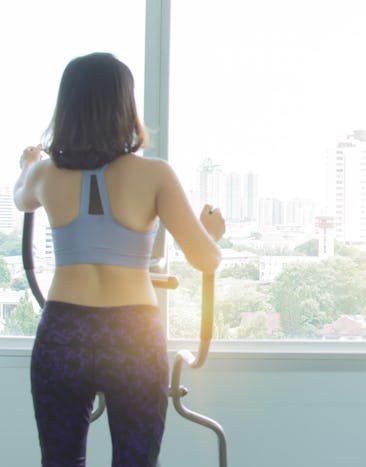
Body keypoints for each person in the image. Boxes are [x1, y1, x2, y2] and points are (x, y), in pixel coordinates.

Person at [14, 52, 225, 467]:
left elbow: (20, 197)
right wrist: (211, 235)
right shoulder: (155, 175)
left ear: (67, 106)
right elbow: (206, 260)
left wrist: (28, 164)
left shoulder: (45, 175)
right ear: (125, 107)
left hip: (62, 333)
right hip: (132, 335)